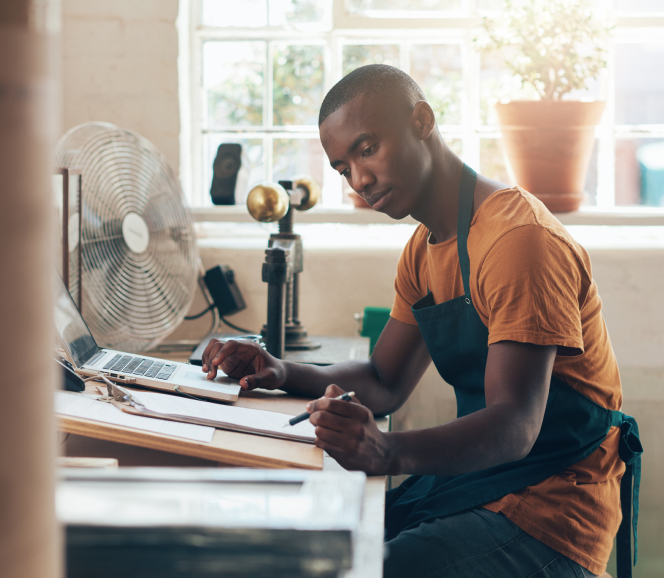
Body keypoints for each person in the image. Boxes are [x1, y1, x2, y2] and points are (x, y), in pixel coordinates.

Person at [202, 65, 641, 578]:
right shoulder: (424, 250)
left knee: (354, 567)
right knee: (307, 547)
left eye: (368, 149)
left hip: (549, 515)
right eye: (343, 168)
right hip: (478, 487)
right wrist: (280, 370)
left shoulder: (518, 240)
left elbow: (516, 426)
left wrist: (386, 449)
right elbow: (384, 382)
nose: (360, 180)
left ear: (423, 120)